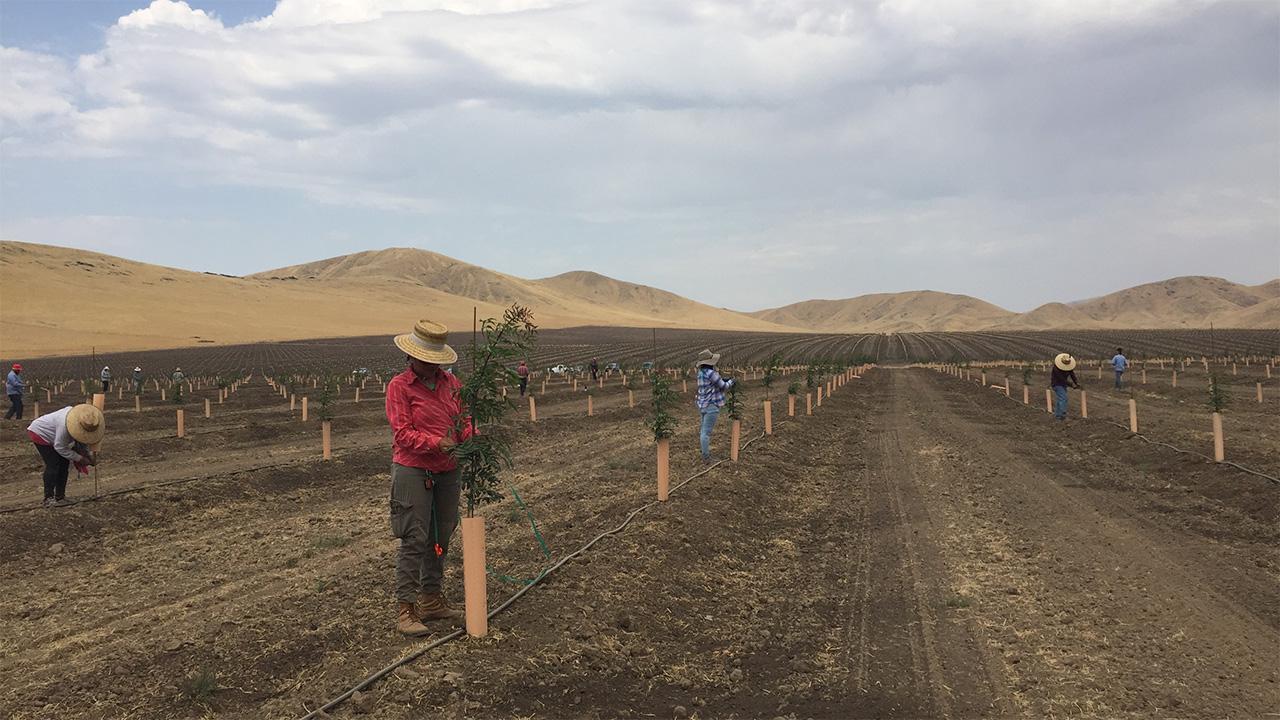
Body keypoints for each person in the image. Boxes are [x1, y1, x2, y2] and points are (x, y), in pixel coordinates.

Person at [386, 319, 474, 637]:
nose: (429, 365)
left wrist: (471, 437)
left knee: (440, 536)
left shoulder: (453, 384)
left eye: (434, 360)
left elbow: (464, 421)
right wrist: (437, 442)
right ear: (411, 357)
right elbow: (403, 434)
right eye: (424, 359)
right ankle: (406, 608)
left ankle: (432, 598)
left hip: (448, 471)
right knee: (414, 537)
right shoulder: (400, 387)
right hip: (413, 469)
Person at [27, 403, 104, 507]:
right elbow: (60, 447)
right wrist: (80, 458)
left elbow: (83, 439)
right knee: (53, 464)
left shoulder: (85, 419)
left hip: (56, 436)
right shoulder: (64, 425)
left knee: (64, 465)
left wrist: (89, 455)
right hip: (40, 433)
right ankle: (48, 498)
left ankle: (60, 497)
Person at [695, 349, 734, 462]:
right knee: (706, 432)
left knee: (703, 430)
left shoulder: (700, 373)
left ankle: (704, 451)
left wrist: (723, 380)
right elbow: (724, 386)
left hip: (702, 404)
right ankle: (706, 457)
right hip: (712, 405)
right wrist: (731, 381)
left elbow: (714, 384)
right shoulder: (711, 373)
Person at [1050, 353, 1081, 421]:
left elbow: (1072, 374)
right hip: (1057, 384)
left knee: (1060, 399)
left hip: (1063, 385)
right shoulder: (1056, 368)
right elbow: (1061, 379)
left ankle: (1058, 416)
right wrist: (1071, 384)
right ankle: (1062, 416)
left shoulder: (1068, 366)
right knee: (1063, 398)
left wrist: (1076, 382)